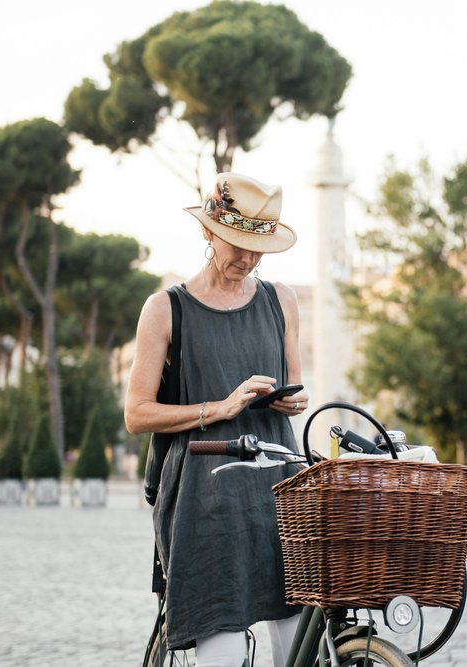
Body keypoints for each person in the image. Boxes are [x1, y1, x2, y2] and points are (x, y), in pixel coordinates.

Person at [124, 173, 308, 667]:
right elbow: (137, 414)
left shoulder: (281, 300)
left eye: (258, 248)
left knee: (299, 647)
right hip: (203, 498)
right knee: (221, 650)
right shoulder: (166, 309)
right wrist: (220, 408)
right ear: (209, 233)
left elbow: (295, 383)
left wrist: (290, 400)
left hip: (278, 485)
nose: (248, 259)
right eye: (237, 245)